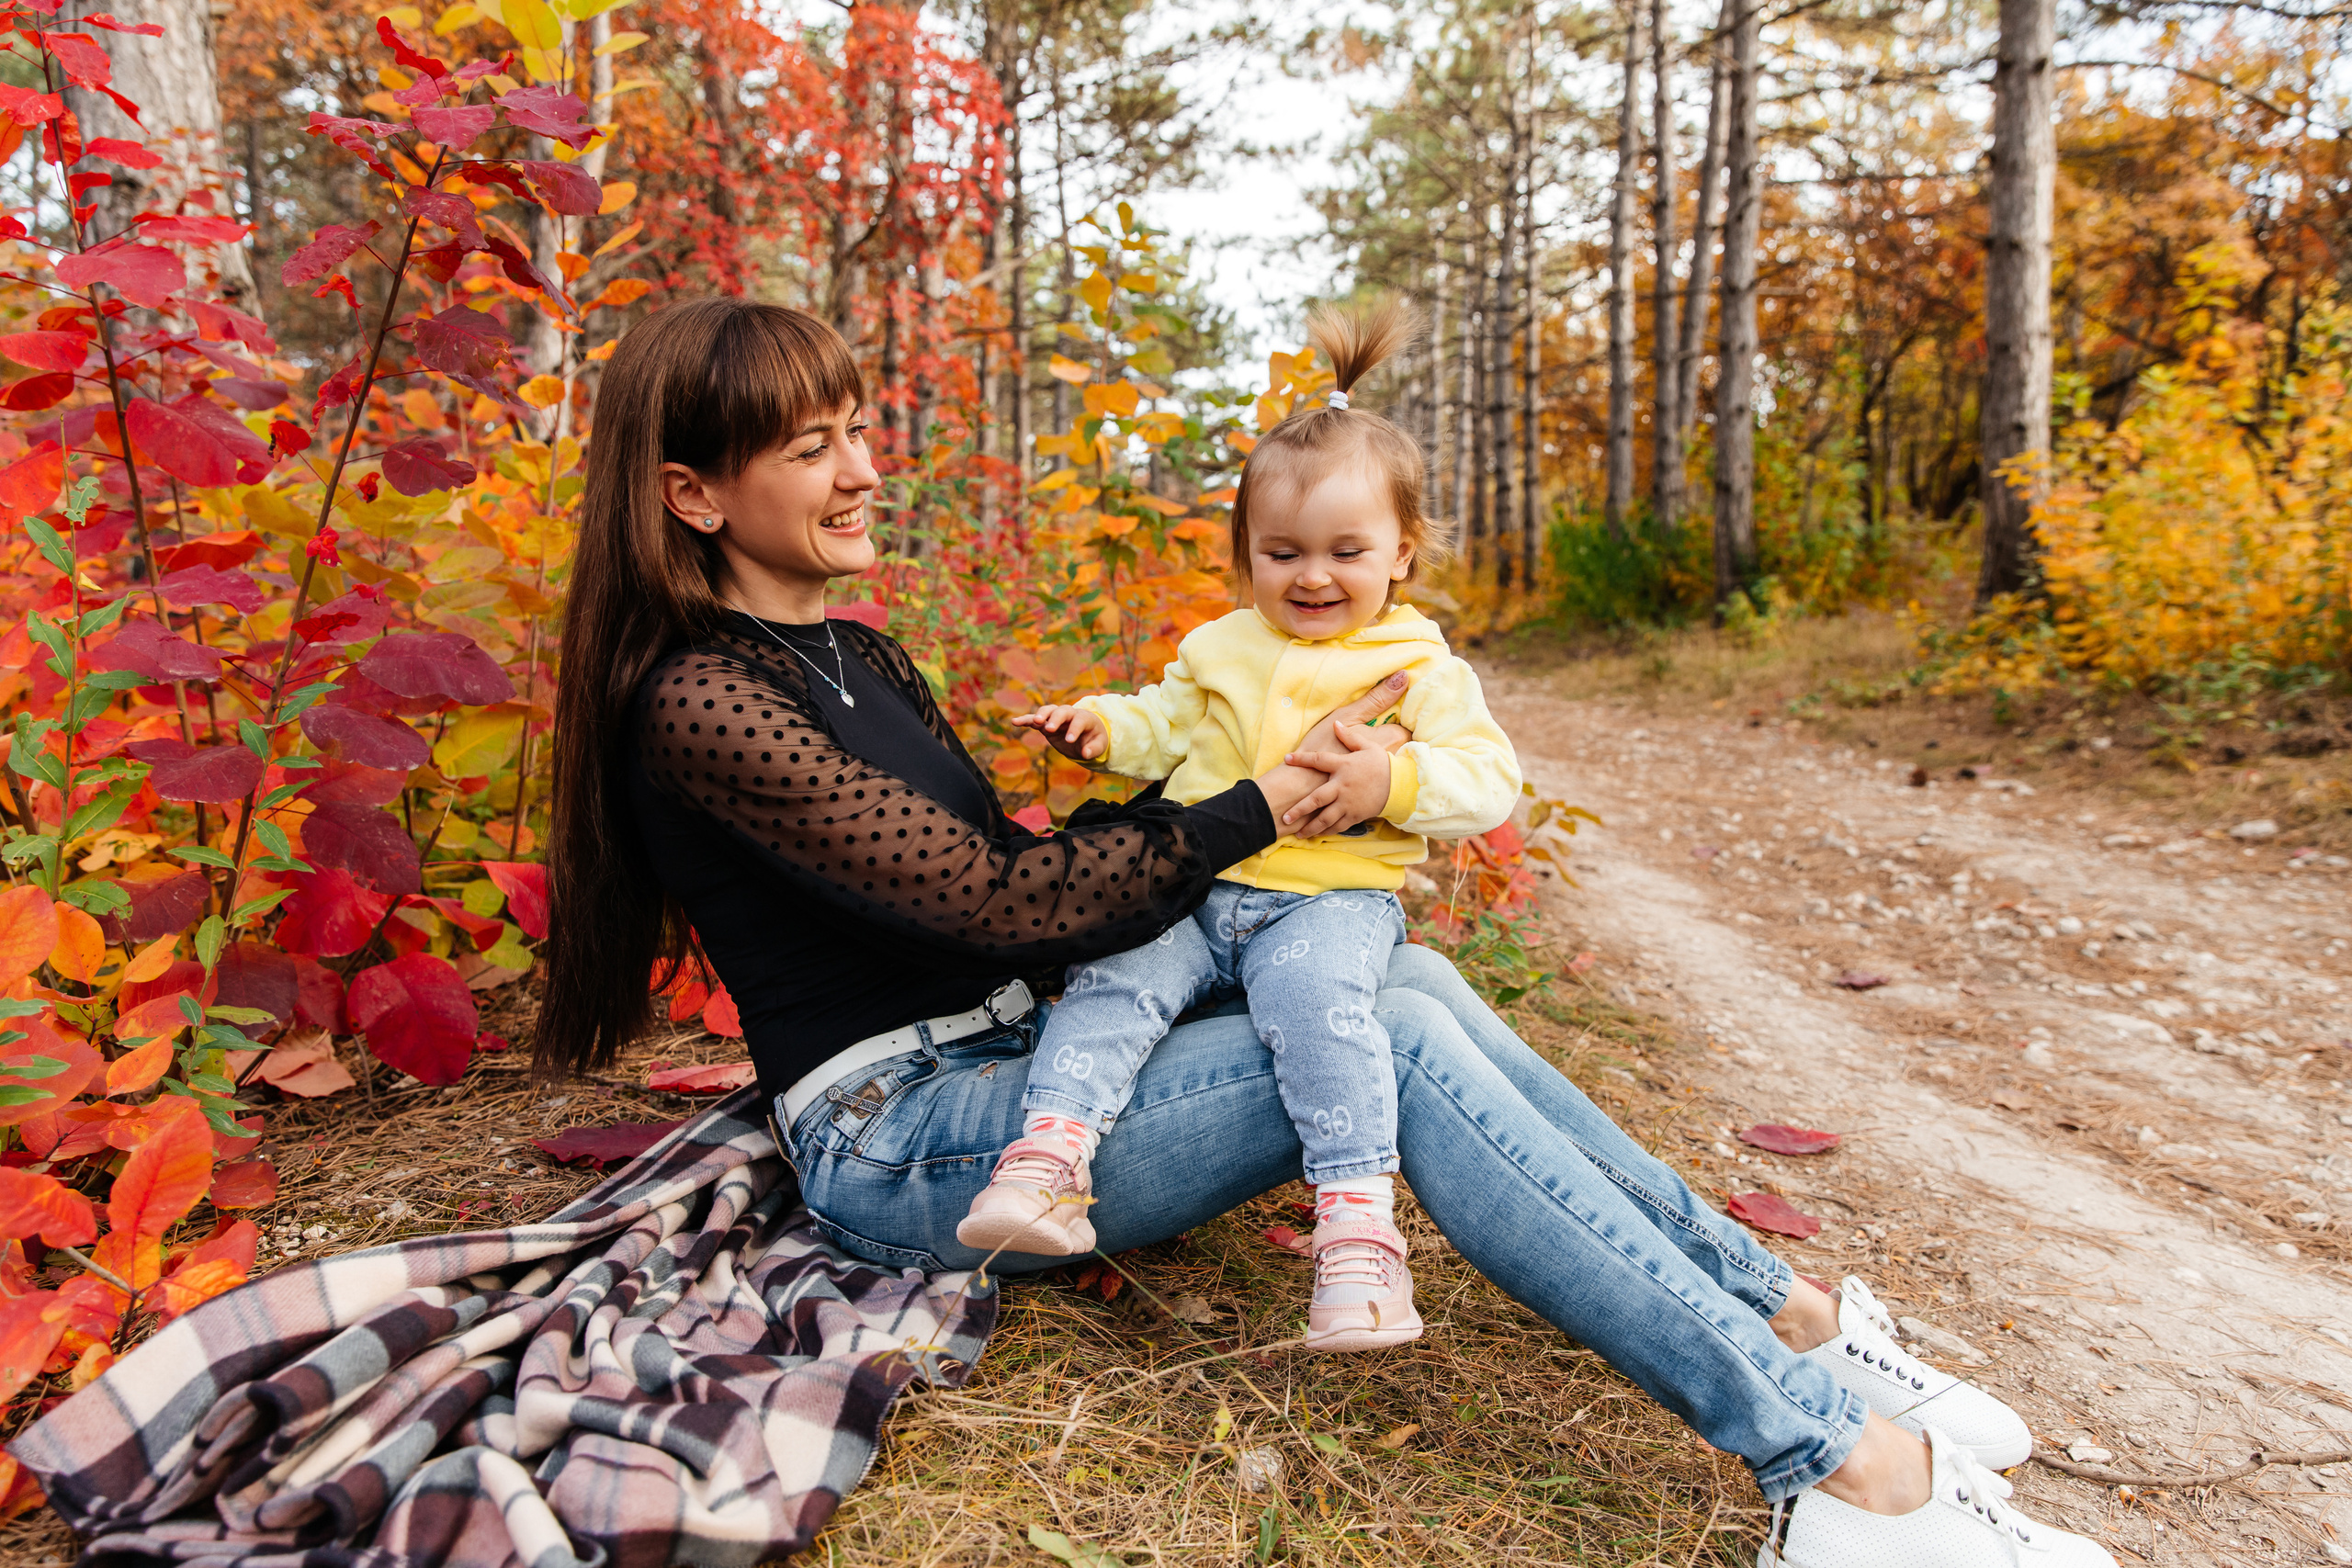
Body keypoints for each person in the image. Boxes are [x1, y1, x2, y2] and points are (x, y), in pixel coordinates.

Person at [540, 296, 2119, 1568]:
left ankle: (1803, 1323)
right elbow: (993, 907)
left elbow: (1014, 875)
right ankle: (1848, 1467)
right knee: (1407, 1050)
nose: (863, 465)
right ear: (694, 492)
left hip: (1015, 1055)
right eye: (814, 446)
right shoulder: (703, 701)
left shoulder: (856, 654)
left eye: (856, 428)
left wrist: (1241, 791)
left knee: (1404, 975)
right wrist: (1265, 803)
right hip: (902, 1137)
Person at [960, 299, 1519, 1358]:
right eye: (1281, 553)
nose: (1311, 577)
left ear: (1403, 552)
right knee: (1116, 972)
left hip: (1327, 897)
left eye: (1345, 551)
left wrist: (1390, 781)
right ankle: (1047, 1163)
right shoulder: (1222, 644)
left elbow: (1488, 782)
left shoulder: (1421, 669)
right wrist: (1100, 726)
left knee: (1318, 1011)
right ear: (1246, 556)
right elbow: (1162, 719)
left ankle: (1356, 1230)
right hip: (1198, 887)